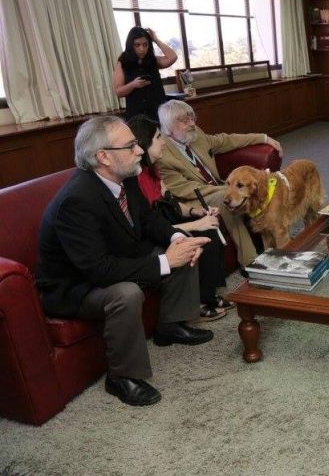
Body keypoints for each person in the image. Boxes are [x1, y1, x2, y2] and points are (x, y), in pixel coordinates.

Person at [36, 116, 214, 407]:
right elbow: (99, 270)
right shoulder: (76, 201)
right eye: (130, 146)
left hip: (116, 258)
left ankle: (171, 325)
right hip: (76, 287)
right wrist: (165, 262)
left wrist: (177, 238)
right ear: (103, 157)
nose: (140, 150)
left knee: (181, 246)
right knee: (126, 293)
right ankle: (121, 377)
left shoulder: (125, 177)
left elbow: (148, 219)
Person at [129, 114, 234, 321]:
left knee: (209, 228)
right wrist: (196, 224)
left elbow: (171, 206)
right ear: (144, 143)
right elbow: (151, 224)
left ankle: (208, 295)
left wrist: (196, 212)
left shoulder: (154, 170)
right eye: (158, 138)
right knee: (201, 235)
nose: (163, 142)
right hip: (154, 233)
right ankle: (200, 302)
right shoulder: (135, 179)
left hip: (165, 223)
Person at [154, 100, 283, 266]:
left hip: (217, 187)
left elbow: (225, 140)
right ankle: (250, 261)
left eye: (192, 117)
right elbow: (186, 190)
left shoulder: (195, 134)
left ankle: (275, 237)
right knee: (227, 198)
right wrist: (227, 189)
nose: (192, 124)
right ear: (169, 126)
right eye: (185, 120)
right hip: (193, 198)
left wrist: (263, 138)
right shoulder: (163, 154)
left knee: (259, 187)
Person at [112, 27, 178, 121]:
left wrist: (156, 39)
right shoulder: (123, 62)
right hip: (136, 115)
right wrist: (133, 85)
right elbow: (118, 92)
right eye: (137, 45)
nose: (142, 49)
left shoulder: (153, 60)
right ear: (131, 45)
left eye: (145, 44)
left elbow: (173, 57)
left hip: (158, 112)